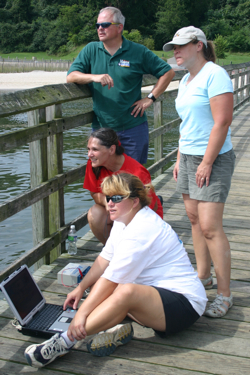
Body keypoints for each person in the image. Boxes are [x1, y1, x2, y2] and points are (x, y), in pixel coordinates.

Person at [24, 172, 207, 368]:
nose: (110, 203)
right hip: (155, 296)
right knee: (114, 291)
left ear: (135, 201)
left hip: (185, 305)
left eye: (117, 198)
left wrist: (81, 314)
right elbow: (104, 260)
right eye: (108, 197)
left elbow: (109, 280)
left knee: (124, 291)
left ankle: (65, 341)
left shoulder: (141, 229)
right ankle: (117, 326)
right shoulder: (123, 220)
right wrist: (81, 287)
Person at [163, 26, 235, 317]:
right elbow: (186, 126)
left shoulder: (215, 74)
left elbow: (223, 122)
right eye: (174, 47)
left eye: (181, 46)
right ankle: (202, 275)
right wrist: (181, 158)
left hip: (213, 158)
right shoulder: (186, 80)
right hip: (190, 157)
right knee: (193, 219)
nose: (175, 52)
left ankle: (225, 294)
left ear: (198, 46)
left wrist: (206, 162)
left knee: (209, 226)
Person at [67, 7, 175, 164]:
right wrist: (94, 77)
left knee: (132, 180)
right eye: (97, 25)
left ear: (120, 27)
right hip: (101, 130)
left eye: (105, 24)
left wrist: (150, 98)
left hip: (133, 127)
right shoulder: (91, 49)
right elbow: (71, 76)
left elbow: (167, 72)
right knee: (102, 181)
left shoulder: (138, 51)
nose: (100, 28)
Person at [84, 128, 163, 244]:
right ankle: (112, 250)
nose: (89, 154)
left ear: (111, 149)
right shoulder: (93, 165)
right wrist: (108, 203)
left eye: (95, 149)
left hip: (141, 216)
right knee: (94, 213)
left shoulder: (137, 172)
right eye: (88, 149)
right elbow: (94, 193)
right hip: (117, 210)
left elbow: (148, 209)